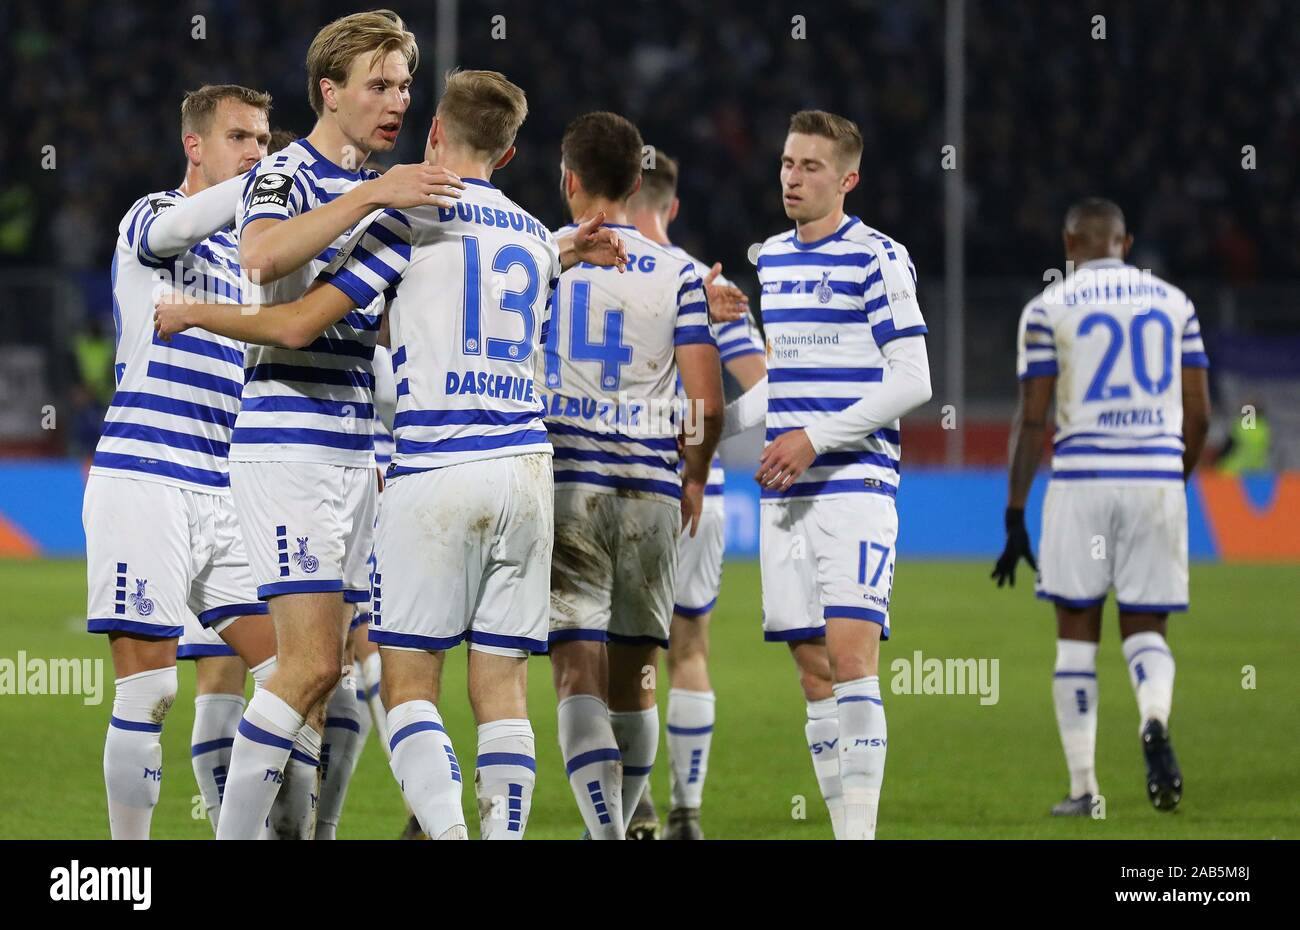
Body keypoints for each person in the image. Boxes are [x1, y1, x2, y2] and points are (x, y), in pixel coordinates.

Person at [85, 83, 277, 839]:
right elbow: (183, 226)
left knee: (295, 680)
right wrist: (255, 188)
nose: (256, 153)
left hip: (222, 492)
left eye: (264, 140)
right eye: (240, 137)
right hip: (145, 477)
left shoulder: (247, 256)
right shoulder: (153, 217)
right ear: (195, 145)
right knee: (153, 690)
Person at [747, 110, 933, 840]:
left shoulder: (878, 258)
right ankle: (841, 827)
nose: (793, 177)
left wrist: (814, 441)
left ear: (848, 178)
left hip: (855, 483)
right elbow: (782, 385)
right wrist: (696, 429)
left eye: (811, 167)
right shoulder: (773, 261)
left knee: (852, 659)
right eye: (788, 163)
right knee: (812, 673)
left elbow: (913, 378)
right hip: (787, 493)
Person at [993, 197, 1211, 816]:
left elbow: (1032, 420)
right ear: (1126, 242)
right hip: (1154, 478)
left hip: (1082, 482)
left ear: (1069, 243)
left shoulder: (1047, 308)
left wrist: (1015, 512)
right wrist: (1175, 478)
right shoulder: (1175, 304)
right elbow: (1200, 415)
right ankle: (1153, 717)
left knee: (1076, 636)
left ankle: (1086, 789)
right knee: (1146, 628)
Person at [540, 112, 724, 839]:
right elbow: (705, 404)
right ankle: (620, 821)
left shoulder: (543, 258)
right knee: (638, 681)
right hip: (649, 489)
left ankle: (605, 832)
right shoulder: (679, 273)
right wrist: (695, 479)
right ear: (639, 182)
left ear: (572, 180)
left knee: (574, 673)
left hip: (569, 484)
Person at [626, 151, 765, 840]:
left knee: (627, 659)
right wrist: (702, 436)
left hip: (622, 486)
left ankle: (637, 804)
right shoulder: (706, 283)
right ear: (673, 206)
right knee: (691, 649)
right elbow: (766, 391)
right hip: (699, 489)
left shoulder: (593, 272)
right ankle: (688, 810)